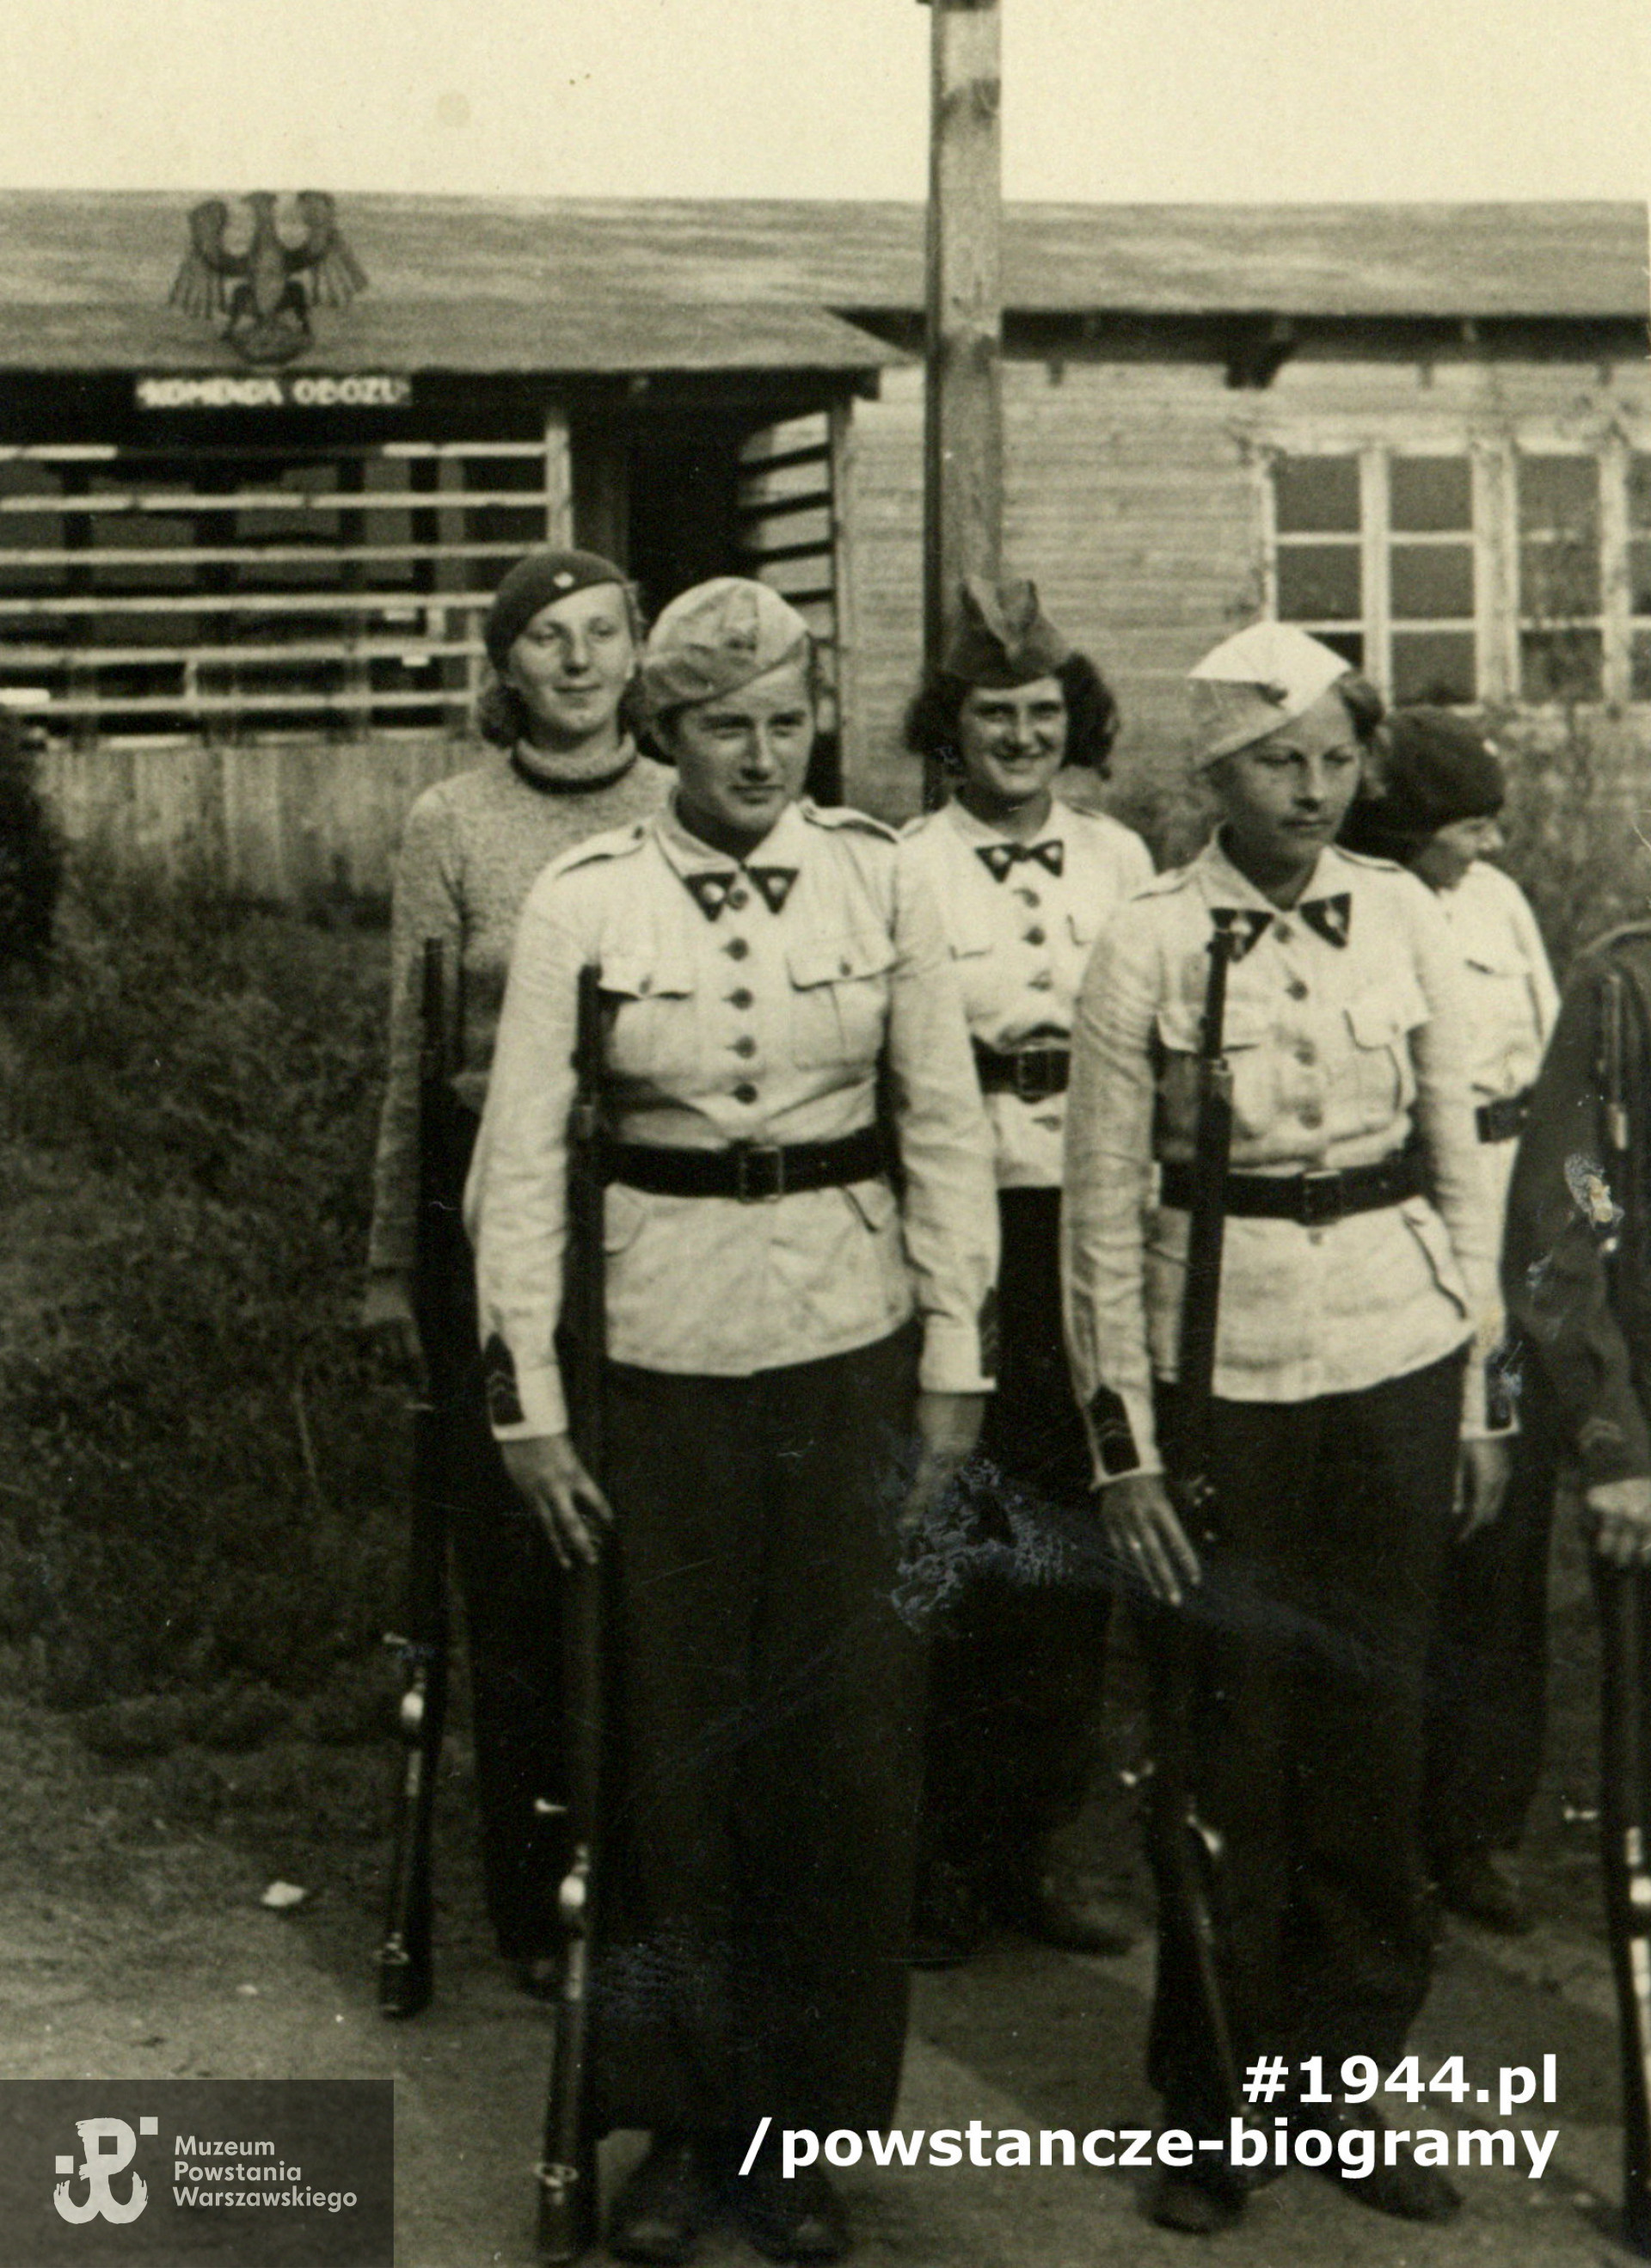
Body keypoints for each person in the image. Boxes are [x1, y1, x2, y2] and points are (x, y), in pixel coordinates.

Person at [465, 576, 997, 2264]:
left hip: (850, 1348)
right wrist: (529, 1409)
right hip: (657, 1369)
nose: (760, 753)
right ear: (662, 734)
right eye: (721, 726)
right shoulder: (583, 899)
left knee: (842, 1753)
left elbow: (948, 1126)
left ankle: (804, 2135)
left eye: (784, 719)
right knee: (674, 1745)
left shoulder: (883, 870)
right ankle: (687, 2130)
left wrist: (956, 1370)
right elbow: (520, 1170)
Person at [1062, 621, 1507, 2235]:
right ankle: (1211, 2092)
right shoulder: (1150, 940)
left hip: (1394, 1346)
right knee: (1224, 1739)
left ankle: (1345, 2084)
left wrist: (1479, 1393)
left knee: (1369, 1737)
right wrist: (1120, 1448)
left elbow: (1461, 1170)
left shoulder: (1402, 912)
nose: (1313, 789)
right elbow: (1101, 1218)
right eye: (1276, 763)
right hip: (1218, 1374)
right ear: (1212, 775)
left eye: (1334, 759)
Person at [362, 546, 671, 1988]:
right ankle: (536, 1884)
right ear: (505, 667)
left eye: (602, 632)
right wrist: (391, 1267)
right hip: (491, 1220)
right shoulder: (450, 822)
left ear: (636, 652)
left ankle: (650, 1865)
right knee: (517, 1556)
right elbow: (413, 1067)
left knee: (650, 1543)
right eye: (546, 639)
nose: (578, 660)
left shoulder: (682, 804)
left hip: (654, 1224)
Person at [897, 576, 1151, 1964]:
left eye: (1043, 711)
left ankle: (1034, 1847)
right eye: (993, 713)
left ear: (1077, 721)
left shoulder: (1120, 862)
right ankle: (932, 1852)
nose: (1020, 737)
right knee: (951, 1532)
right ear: (951, 727)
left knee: (1066, 1538)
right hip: (960, 1216)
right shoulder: (904, 865)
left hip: (1093, 1215)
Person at [1342, 710, 1559, 1934]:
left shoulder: (1498, 904)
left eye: (1488, 825)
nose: (1479, 847)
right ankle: (1379, 1829)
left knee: (1504, 1536)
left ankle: (1479, 1824)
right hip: (1406, 1228)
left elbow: (1545, 1059)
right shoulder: (1364, 906)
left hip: (1512, 1225)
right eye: (1461, 827)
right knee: (1398, 1532)